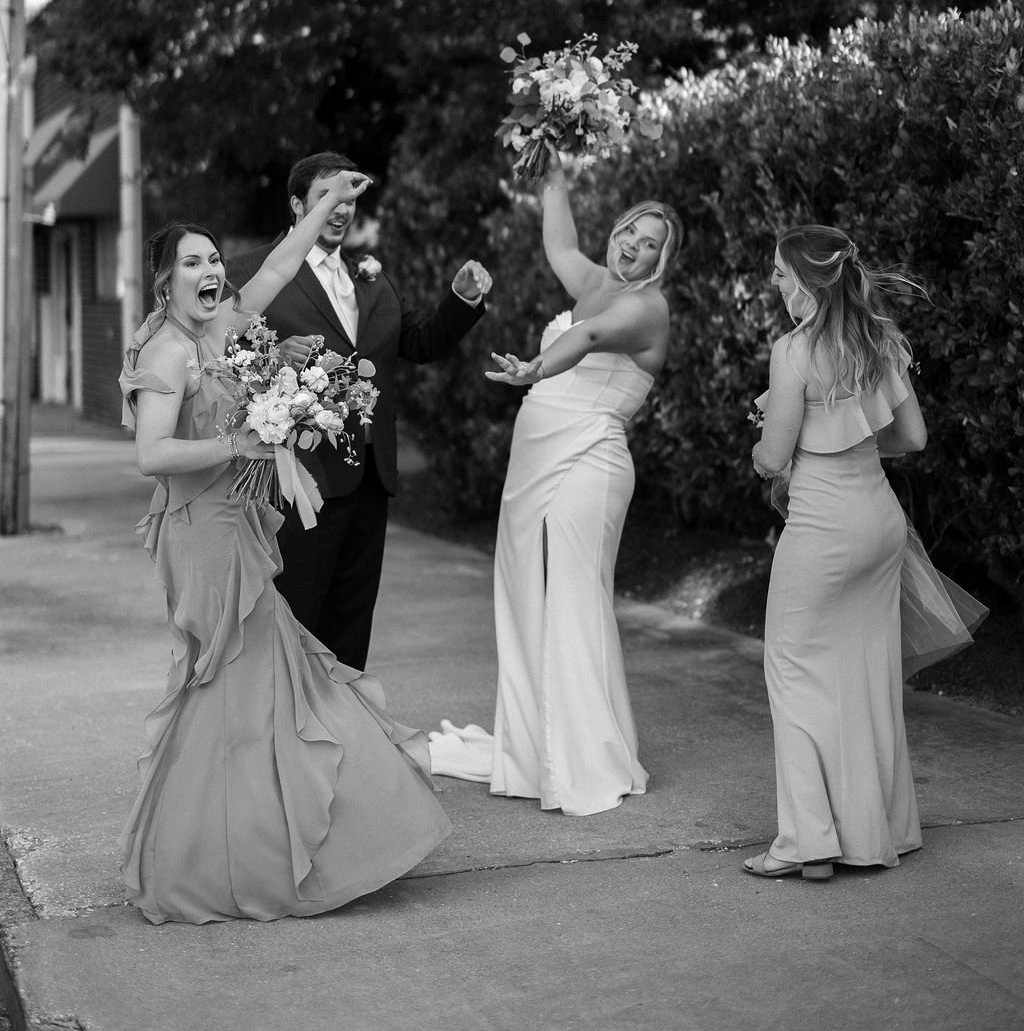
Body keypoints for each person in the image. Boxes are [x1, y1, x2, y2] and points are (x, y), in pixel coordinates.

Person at [118, 169, 452, 924]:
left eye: (213, 260)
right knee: (234, 678)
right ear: (166, 281)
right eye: (194, 264)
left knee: (258, 682)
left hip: (237, 524)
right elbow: (151, 455)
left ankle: (254, 842)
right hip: (201, 536)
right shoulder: (169, 353)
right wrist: (243, 442)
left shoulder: (222, 327)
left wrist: (330, 203)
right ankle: (219, 855)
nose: (213, 272)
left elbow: (276, 264)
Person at [431, 154, 682, 815]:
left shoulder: (646, 306)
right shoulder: (594, 276)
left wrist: (538, 366)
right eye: (631, 231)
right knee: (527, 592)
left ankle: (587, 756)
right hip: (538, 461)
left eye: (650, 244)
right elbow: (559, 241)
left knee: (573, 598)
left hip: (589, 464)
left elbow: (591, 335)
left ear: (662, 260)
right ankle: (539, 739)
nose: (633, 245)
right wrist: (552, 161)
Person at [229, 152, 491, 671]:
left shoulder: (369, 277)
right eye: (328, 195)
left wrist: (460, 302)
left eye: (349, 197)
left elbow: (415, 341)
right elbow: (225, 358)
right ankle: (291, 737)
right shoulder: (252, 272)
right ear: (297, 204)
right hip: (298, 482)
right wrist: (274, 355)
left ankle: (349, 735)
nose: (342, 208)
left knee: (351, 621)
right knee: (294, 617)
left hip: (371, 479)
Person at [746, 224, 931, 882]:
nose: (774, 284)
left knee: (792, 669)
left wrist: (765, 444)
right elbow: (911, 437)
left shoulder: (792, 352)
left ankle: (809, 843)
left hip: (823, 529)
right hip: (879, 522)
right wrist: (846, 441)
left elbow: (773, 458)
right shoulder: (880, 340)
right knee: (865, 672)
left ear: (804, 280)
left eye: (777, 274)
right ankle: (883, 831)